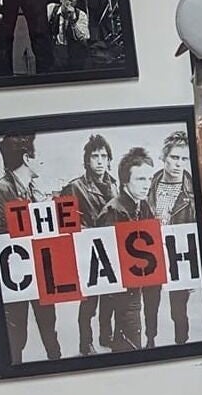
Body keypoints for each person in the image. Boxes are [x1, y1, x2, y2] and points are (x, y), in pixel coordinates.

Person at [0, 134, 61, 363]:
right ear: (27, 159)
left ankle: (56, 363)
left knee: (48, 323)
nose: (43, 163)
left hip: (36, 269)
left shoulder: (30, 189)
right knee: (17, 332)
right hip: (17, 273)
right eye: (39, 158)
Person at [96, 148, 155, 352]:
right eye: (140, 179)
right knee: (130, 346)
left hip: (138, 287)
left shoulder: (144, 206)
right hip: (123, 294)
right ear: (125, 182)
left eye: (149, 178)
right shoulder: (113, 212)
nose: (146, 184)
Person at [61, 134, 115, 355]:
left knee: (110, 297)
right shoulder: (74, 187)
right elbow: (65, 224)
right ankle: (86, 343)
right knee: (89, 302)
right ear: (87, 160)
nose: (100, 161)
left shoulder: (114, 184)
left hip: (111, 250)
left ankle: (106, 334)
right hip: (88, 252)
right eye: (95, 156)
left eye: (104, 156)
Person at [143, 131, 195, 347]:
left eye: (184, 159)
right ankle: (150, 340)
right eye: (174, 157)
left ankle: (182, 344)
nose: (178, 164)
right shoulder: (150, 181)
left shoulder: (192, 192)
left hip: (179, 255)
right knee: (150, 302)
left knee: (179, 308)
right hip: (151, 251)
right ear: (165, 157)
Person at [46, 0, 90, 71]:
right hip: (55, 51)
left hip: (73, 53)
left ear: (76, 2)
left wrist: (73, 21)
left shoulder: (81, 15)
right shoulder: (51, 8)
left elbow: (84, 39)